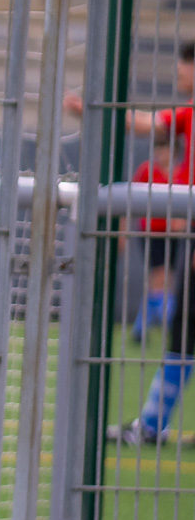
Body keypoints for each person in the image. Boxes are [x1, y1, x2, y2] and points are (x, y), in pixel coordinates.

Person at [71, 43, 195, 445]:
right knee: (183, 332)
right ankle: (151, 425)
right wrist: (95, 109)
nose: (178, 72)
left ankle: (151, 426)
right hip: (179, 237)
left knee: (183, 332)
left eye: (184, 66)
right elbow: (144, 123)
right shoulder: (187, 116)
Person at [124, 123, 181, 343]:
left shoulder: (182, 172)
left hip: (176, 235)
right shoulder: (147, 170)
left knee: (162, 281)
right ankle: (172, 327)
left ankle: (140, 329)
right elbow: (127, 200)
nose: (160, 153)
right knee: (161, 278)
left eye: (164, 148)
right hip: (152, 233)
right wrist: (122, 232)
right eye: (157, 149)